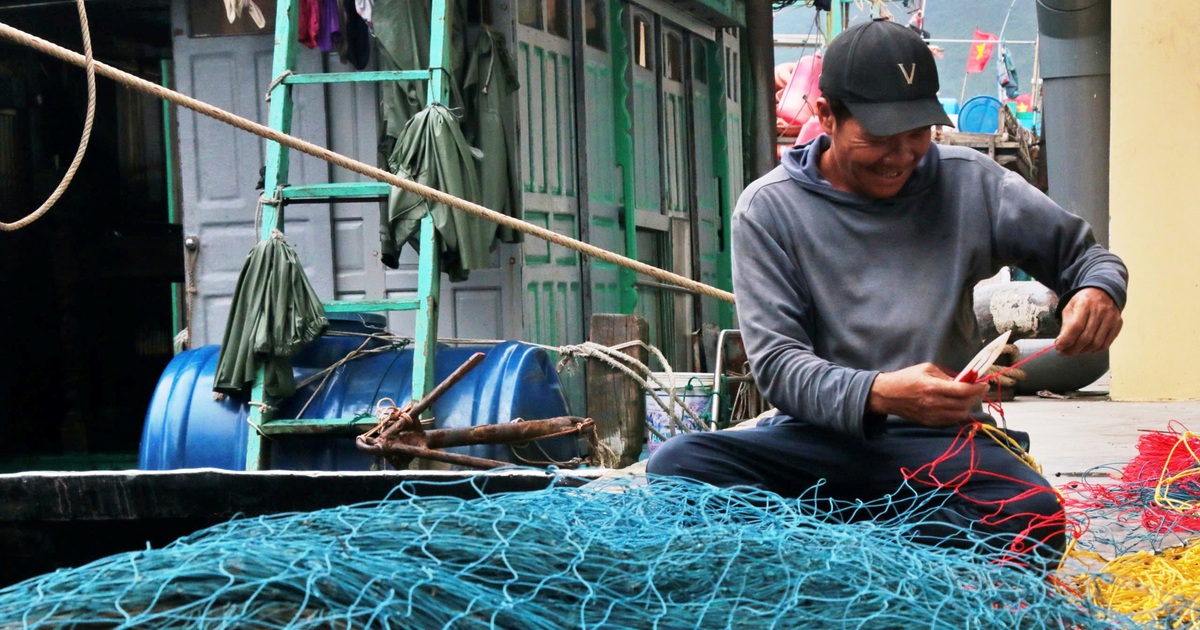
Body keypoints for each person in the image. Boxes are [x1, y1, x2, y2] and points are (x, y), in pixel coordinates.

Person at [647, 18, 1127, 566]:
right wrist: (880, 393)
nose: (901, 155)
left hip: (940, 443)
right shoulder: (769, 209)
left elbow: (1087, 257)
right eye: (877, 139)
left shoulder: (973, 182)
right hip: (815, 440)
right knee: (679, 466)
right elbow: (778, 367)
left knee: (1033, 516)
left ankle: (836, 550)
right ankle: (887, 549)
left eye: (917, 134)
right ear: (826, 114)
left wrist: (1098, 290)